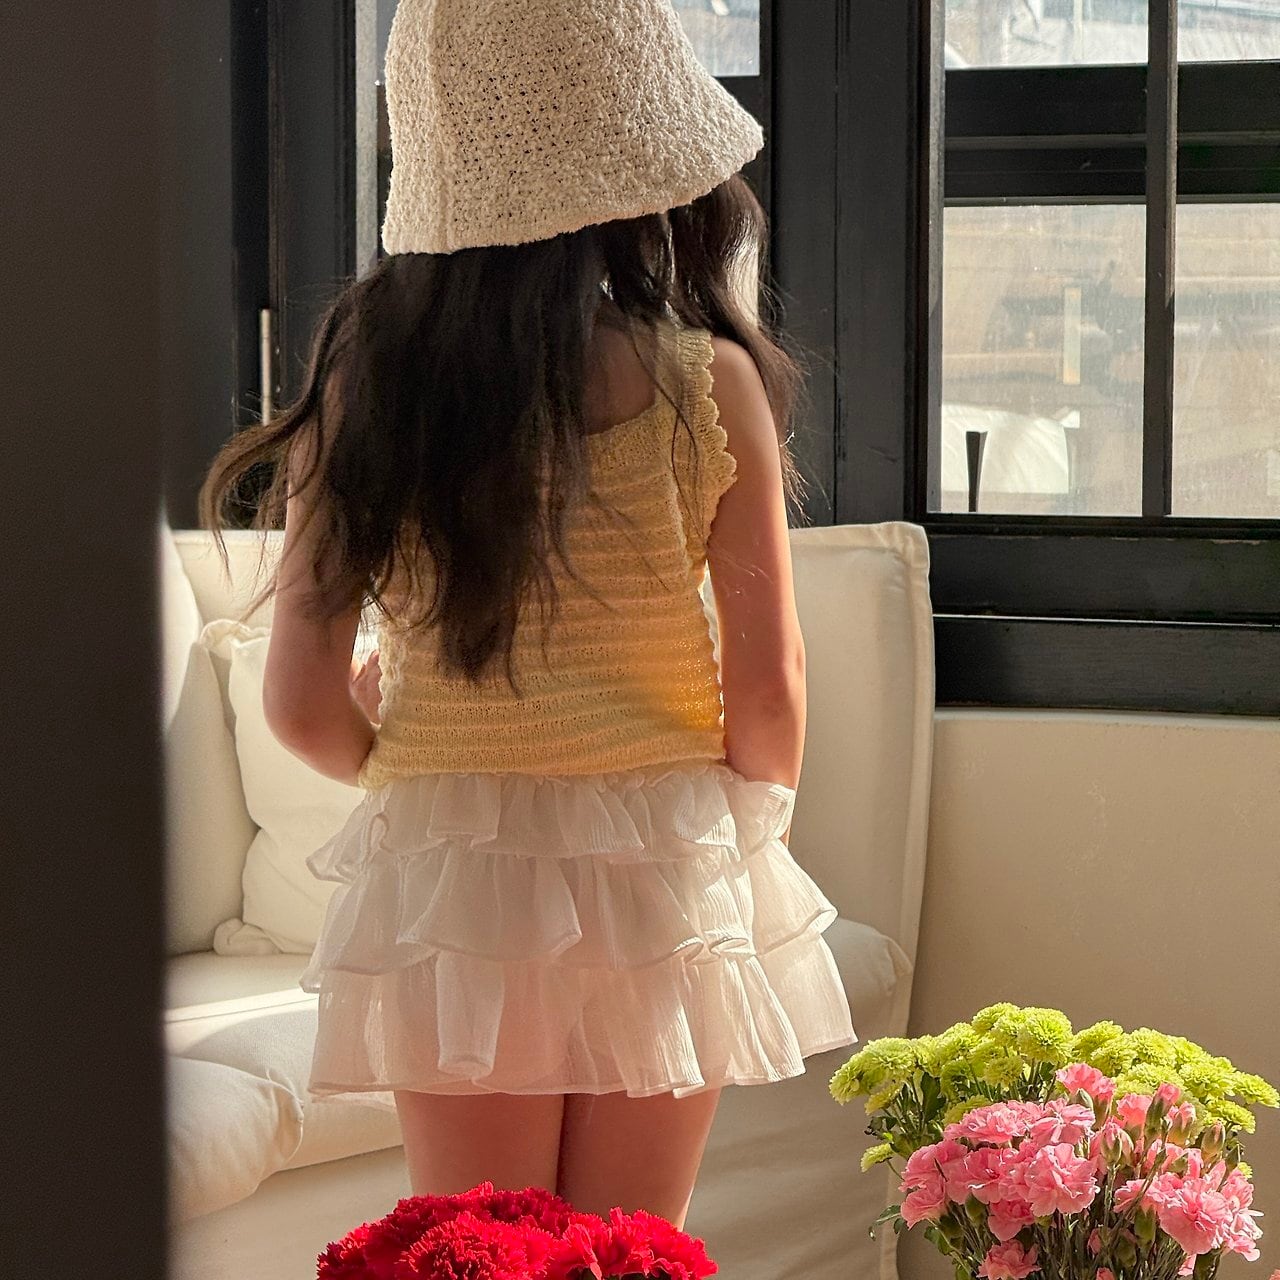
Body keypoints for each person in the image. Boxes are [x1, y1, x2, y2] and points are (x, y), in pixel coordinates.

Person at [199, 0, 856, 1235]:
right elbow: (768, 696)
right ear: (639, 170)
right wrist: (738, 839)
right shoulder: (706, 382)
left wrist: (414, 755)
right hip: (661, 864)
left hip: (455, 879)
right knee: (626, 1252)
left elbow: (300, 703)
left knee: (481, 1247)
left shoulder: (368, 387)